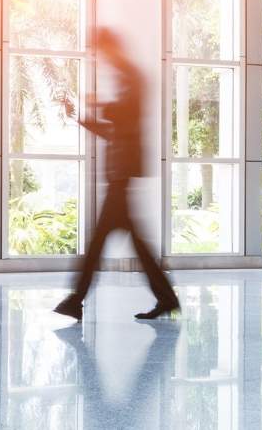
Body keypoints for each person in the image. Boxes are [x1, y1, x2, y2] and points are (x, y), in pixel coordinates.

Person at [54, 27, 179, 322]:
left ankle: (76, 299)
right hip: (119, 172)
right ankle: (166, 297)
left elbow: (124, 117)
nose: (98, 58)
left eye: (99, 50)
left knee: (99, 241)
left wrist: (96, 105)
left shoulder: (130, 76)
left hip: (123, 173)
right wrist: (82, 116)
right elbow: (113, 130)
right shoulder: (126, 77)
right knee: (131, 243)